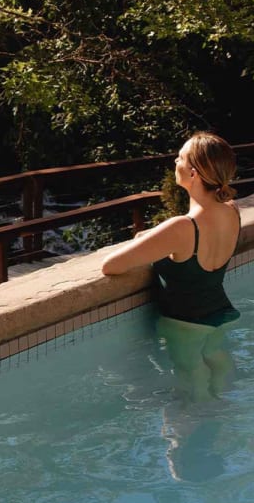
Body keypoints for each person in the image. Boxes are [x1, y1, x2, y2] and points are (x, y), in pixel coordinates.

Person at [101, 132, 241, 401]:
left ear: (193, 173)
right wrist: (156, 236)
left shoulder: (183, 228)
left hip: (186, 323)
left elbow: (111, 266)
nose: (175, 162)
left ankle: (200, 417)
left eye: (180, 158)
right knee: (215, 359)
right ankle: (224, 406)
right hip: (218, 311)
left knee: (192, 382)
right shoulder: (231, 211)